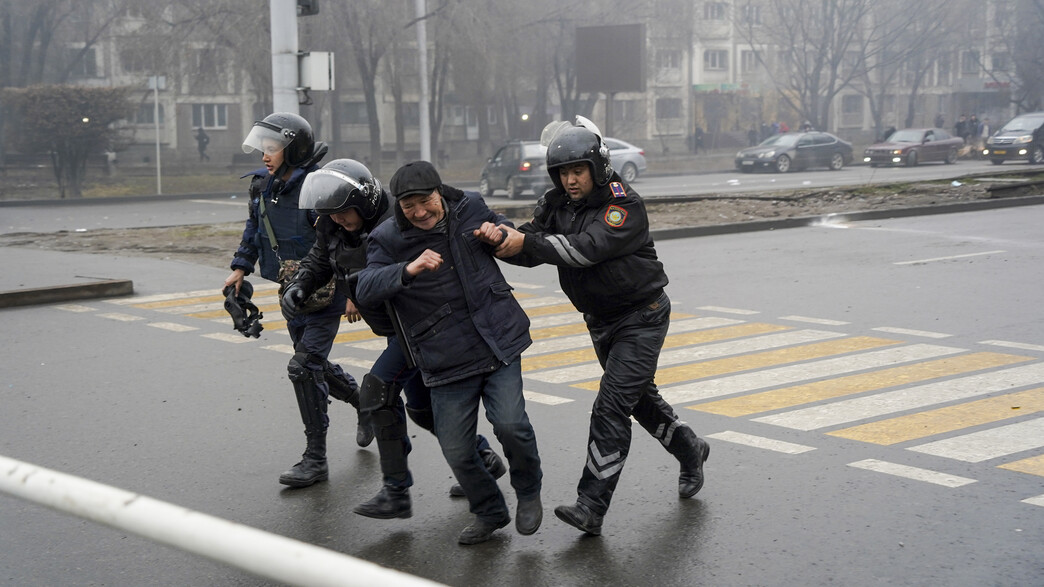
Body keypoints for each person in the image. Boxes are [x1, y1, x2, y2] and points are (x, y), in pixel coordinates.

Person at [480, 117, 710, 537]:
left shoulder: (623, 205)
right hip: (601, 321)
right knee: (638, 401)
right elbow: (532, 244)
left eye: (578, 171)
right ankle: (689, 448)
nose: (570, 180)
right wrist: (498, 238)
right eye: (563, 172)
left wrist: (525, 242)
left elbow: (585, 250)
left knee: (610, 406)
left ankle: (592, 504)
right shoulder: (557, 203)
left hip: (642, 316)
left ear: (597, 168)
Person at [281, 158, 507, 519]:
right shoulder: (332, 224)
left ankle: (396, 491)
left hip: (424, 324)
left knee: (377, 390)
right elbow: (320, 258)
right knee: (422, 410)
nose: (337, 220)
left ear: (365, 201)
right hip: (395, 328)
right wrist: (300, 285)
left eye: (342, 213)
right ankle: (482, 458)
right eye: (330, 215)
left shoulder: (396, 223)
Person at [355, 160, 543, 545]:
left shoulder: (471, 206)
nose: (420, 212)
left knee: (511, 425)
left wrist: (500, 232)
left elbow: (505, 230)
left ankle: (528, 493)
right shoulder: (387, 238)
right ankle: (490, 511)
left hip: (497, 338)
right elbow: (366, 286)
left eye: (426, 201)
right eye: (409, 207)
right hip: (445, 355)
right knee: (457, 448)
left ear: (440, 192)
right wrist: (408, 269)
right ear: (399, 207)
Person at [223, 112, 373, 489]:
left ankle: (315, 459)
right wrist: (240, 268)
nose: (264, 156)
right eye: (263, 148)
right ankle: (364, 402)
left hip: (328, 292)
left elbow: (345, 240)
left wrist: (354, 292)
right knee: (313, 365)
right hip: (291, 291)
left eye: (271, 149)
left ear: (293, 150)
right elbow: (254, 229)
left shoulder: (317, 188)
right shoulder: (262, 186)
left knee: (304, 368)